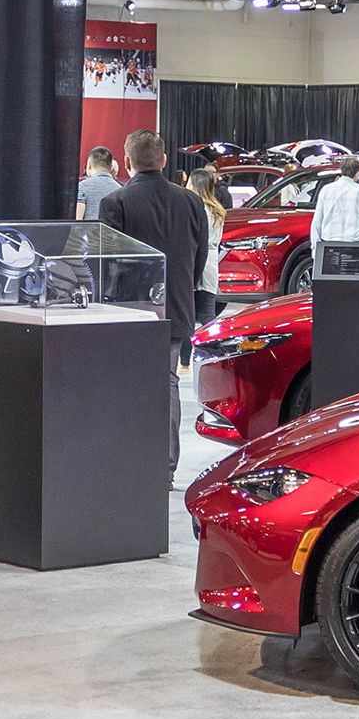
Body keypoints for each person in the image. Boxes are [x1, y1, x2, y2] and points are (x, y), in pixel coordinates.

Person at [98, 129, 209, 481]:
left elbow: (105, 262)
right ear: (163, 160)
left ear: (126, 161)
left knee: (123, 385)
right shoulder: (192, 202)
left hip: (128, 311)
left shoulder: (115, 203)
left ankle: (127, 460)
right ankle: (165, 467)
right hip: (175, 308)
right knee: (168, 383)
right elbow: (200, 257)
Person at [181, 169, 225, 369]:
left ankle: (184, 362)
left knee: (187, 313)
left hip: (193, 259)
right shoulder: (217, 210)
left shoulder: (194, 208)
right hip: (211, 262)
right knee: (207, 312)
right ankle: (212, 355)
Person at [309, 156, 359, 257]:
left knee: (330, 273)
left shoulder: (326, 190)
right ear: (358, 173)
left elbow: (317, 221)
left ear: (341, 170)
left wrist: (315, 248)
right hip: (355, 247)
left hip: (329, 246)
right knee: (353, 273)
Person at [76, 147, 121, 220]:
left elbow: (77, 220)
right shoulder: (120, 189)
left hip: (88, 231)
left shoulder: (81, 187)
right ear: (111, 168)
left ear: (89, 165)